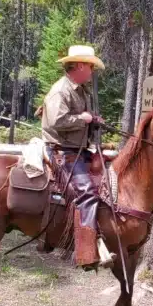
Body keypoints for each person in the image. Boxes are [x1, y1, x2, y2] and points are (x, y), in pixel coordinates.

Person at [41, 45, 115, 269]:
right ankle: (85, 254)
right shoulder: (61, 90)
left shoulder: (81, 90)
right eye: (90, 66)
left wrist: (93, 120)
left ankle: (99, 235)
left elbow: (80, 119)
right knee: (86, 193)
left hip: (78, 149)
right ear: (80, 66)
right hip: (61, 150)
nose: (92, 71)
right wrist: (82, 119)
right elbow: (57, 121)